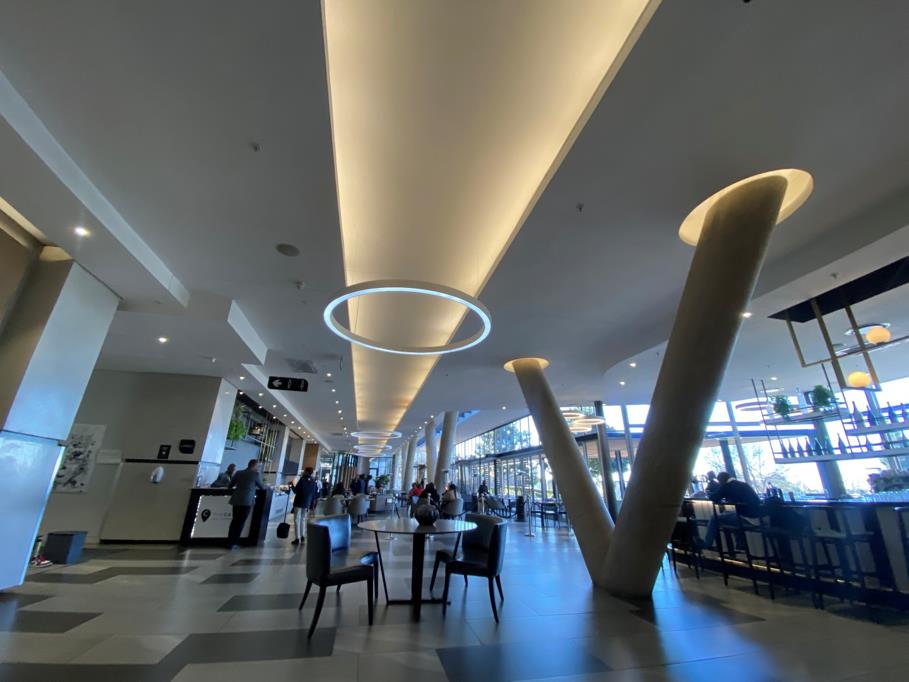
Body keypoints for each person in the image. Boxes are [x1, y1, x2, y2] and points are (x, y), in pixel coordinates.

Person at [704, 472, 762, 549]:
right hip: (758, 517)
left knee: (714, 518)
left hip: (746, 518)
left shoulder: (726, 486)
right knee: (728, 514)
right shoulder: (744, 484)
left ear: (721, 481)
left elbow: (713, 497)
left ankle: (707, 544)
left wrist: (707, 492)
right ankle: (740, 543)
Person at [227, 459, 267, 549]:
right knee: (240, 522)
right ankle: (234, 543)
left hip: (236, 499)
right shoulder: (255, 474)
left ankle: (230, 542)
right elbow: (262, 487)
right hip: (246, 501)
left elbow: (230, 485)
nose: (258, 468)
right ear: (254, 465)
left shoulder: (239, 473)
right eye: (258, 466)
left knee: (234, 521)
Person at [291, 467, 319, 546]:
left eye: (304, 471)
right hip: (307, 503)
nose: (303, 472)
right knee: (303, 519)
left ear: (307, 472)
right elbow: (314, 493)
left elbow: (296, 490)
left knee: (297, 519)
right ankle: (302, 536)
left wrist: (292, 485)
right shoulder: (313, 481)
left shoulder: (302, 480)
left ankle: (297, 538)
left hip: (299, 502)